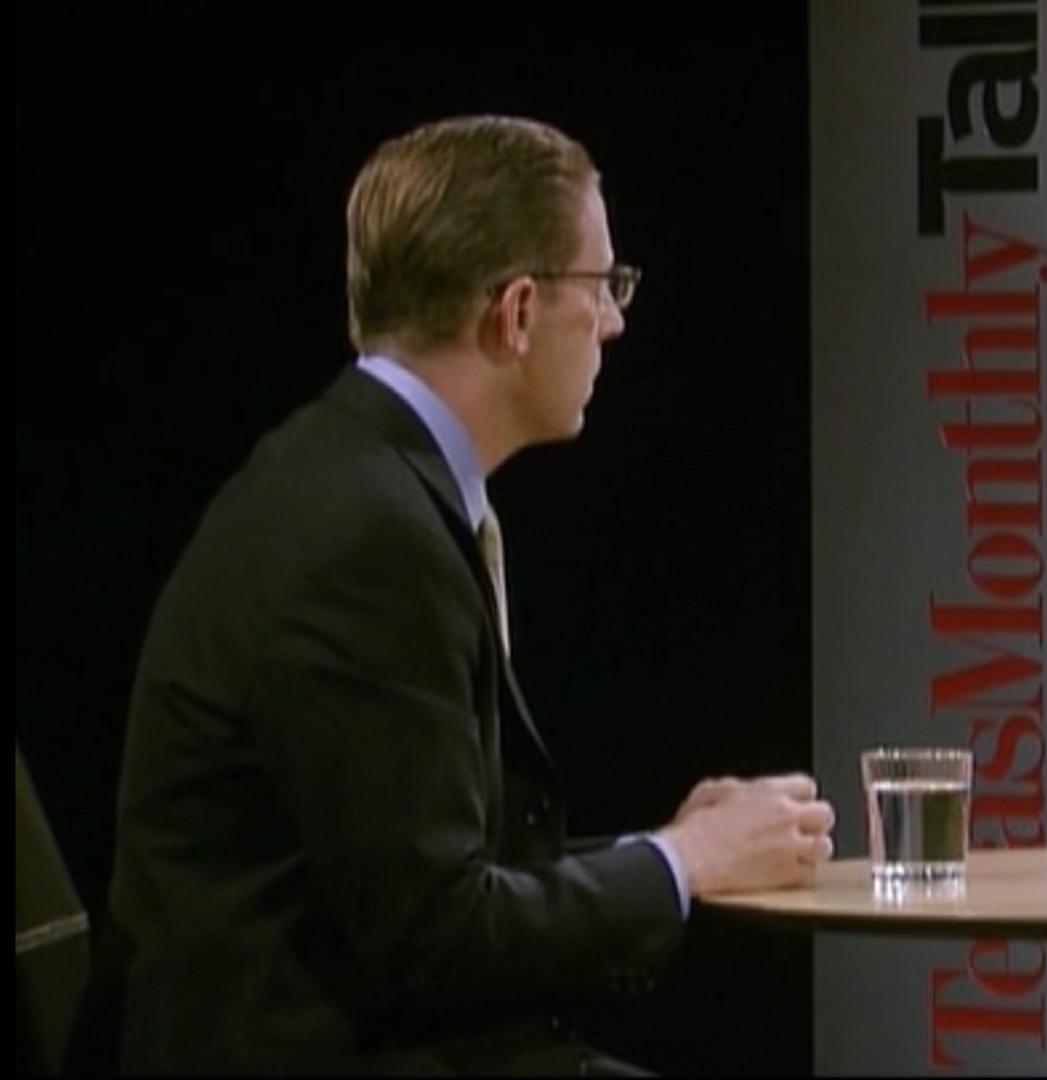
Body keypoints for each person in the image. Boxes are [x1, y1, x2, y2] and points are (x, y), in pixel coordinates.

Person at [103, 115, 835, 1075]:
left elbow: (434, 875)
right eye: (603, 285)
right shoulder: (366, 536)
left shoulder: (361, 479)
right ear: (517, 311)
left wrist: (673, 846)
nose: (615, 321)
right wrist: (684, 865)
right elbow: (437, 940)